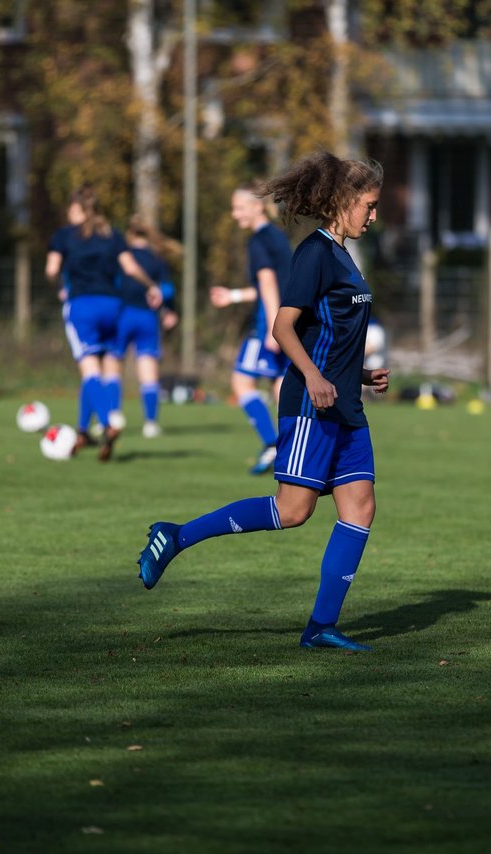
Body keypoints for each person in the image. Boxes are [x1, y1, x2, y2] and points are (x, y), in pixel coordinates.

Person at [138, 152, 389, 652]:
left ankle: (321, 628)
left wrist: (356, 373)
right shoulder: (314, 253)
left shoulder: (343, 255)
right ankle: (177, 535)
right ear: (343, 201)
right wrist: (316, 375)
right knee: (293, 511)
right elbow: (282, 326)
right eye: (369, 204)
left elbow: (330, 331)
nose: (374, 215)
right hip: (310, 406)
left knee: (360, 507)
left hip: (343, 404)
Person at [45, 186, 161, 461]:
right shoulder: (112, 236)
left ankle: (108, 420)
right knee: (107, 367)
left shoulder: (63, 236)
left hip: (82, 306)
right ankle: (84, 430)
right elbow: (131, 268)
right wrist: (151, 286)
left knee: (88, 369)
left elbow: (51, 270)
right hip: (112, 307)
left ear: (77, 209)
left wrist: (61, 286)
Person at [209, 184, 294, 474]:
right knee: (281, 385)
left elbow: (269, 284)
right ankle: (292, 448)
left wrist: (273, 328)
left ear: (258, 206)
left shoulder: (258, 241)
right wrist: (233, 296)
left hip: (269, 324)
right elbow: (273, 286)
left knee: (242, 382)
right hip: (290, 319)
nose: (234, 214)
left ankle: (273, 444)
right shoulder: (278, 238)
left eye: (239, 207)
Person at [110, 215, 179, 439]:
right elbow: (167, 290)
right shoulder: (156, 260)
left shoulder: (122, 257)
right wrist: (169, 310)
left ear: (129, 234)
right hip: (148, 318)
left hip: (123, 314)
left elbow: (114, 284)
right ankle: (150, 423)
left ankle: (112, 416)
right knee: (148, 370)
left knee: (113, 366)